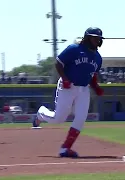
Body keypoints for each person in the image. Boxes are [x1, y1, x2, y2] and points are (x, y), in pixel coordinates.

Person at [32, 27, 104, 158]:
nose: (97, 40)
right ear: (87, 38)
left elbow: (92, 76)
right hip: (68, 86)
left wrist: (96, 87)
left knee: (81, 118)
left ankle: (65, 148)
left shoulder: (98, 58)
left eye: (98, 38)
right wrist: (65, 79)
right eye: (94, 37)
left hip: (83, 89)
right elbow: (58, 64)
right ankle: (41, 114)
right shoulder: (74, 49)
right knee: (59, 119)